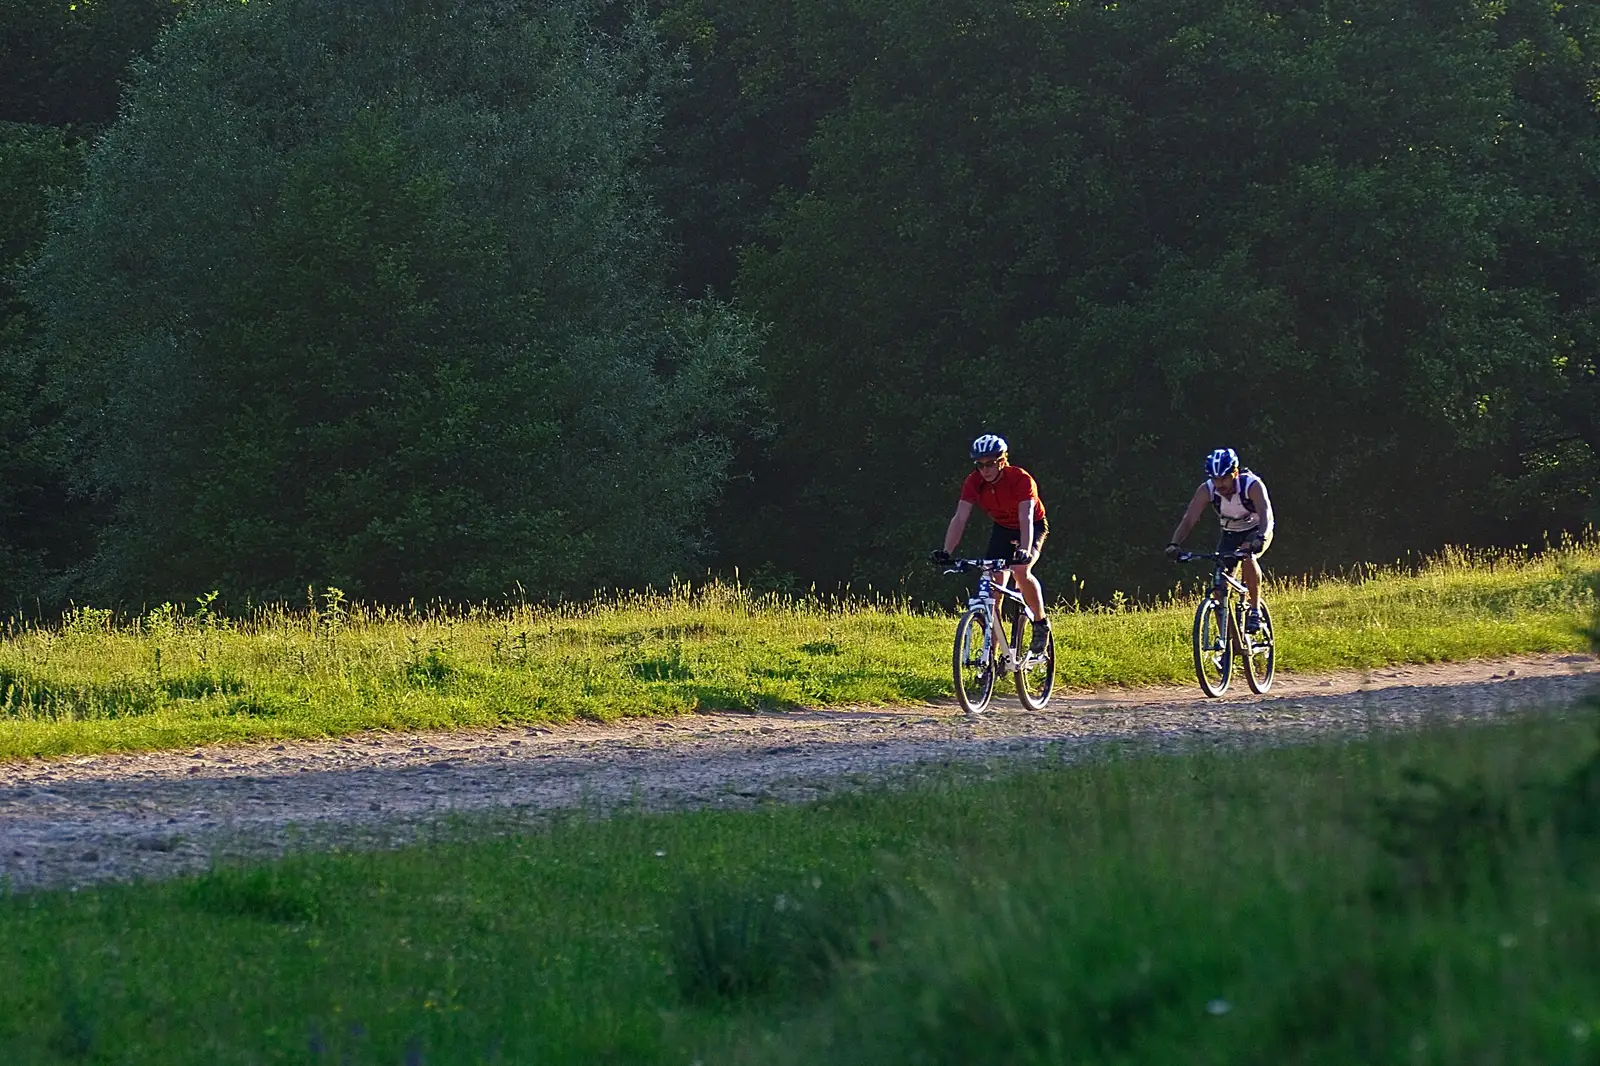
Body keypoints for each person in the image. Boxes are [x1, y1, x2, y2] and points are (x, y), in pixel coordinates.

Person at [932, 434, 1051, 654]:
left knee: (1020, 571)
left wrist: (1024, 549)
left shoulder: (1020, 479)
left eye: (990, 464)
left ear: (1002, 461)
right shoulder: (974, 481)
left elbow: (1026, 517)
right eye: (980, 465)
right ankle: (992, 657)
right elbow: (960, 517)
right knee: (992, 590)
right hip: (1003, 529)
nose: (984, 470)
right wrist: (946, 551)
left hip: (1031, 526)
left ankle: (1040, 623)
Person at [1165, 447, 1275, 632]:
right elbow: (1189, 519)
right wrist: (1174, 544)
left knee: (1248, 556)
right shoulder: (1206, 490)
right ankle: (1230, 639)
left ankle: (1255, 609)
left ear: (1235, 473)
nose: (1219, 484)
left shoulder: (1252, 485)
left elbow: (1266, 515)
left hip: (1257, 530)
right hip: (1230, 533)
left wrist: (1261, 538)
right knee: (1219, 588)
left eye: (1224, 478)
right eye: (1215, 479)